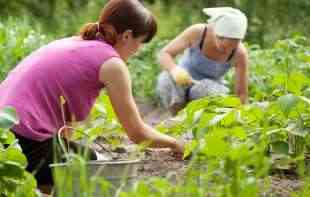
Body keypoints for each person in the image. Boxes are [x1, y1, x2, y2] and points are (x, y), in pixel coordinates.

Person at [0, 0, 184, 192]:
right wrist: (174, 143)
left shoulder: (75, 43)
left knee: (76, 158)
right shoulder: (112, 64)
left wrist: (66, 145)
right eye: (140, 43)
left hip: (4, 131)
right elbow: (137, 133)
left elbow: (64, 118)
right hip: (20, 141)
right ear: (127, 36)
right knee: (93, 167)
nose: (138, 51)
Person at [156, 7, 249, 115]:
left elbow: (241, 94)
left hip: (208, 91)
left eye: (233, 47)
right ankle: (178, 119)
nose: (227, 50)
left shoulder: (240, 53)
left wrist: (242, 117)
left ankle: (199, 122)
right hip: (182, 83)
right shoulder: (198, 33)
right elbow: (164, 54)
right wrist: (174, 70)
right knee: (166, 79)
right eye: (223, 47)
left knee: (203, 88)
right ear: (216, 34)